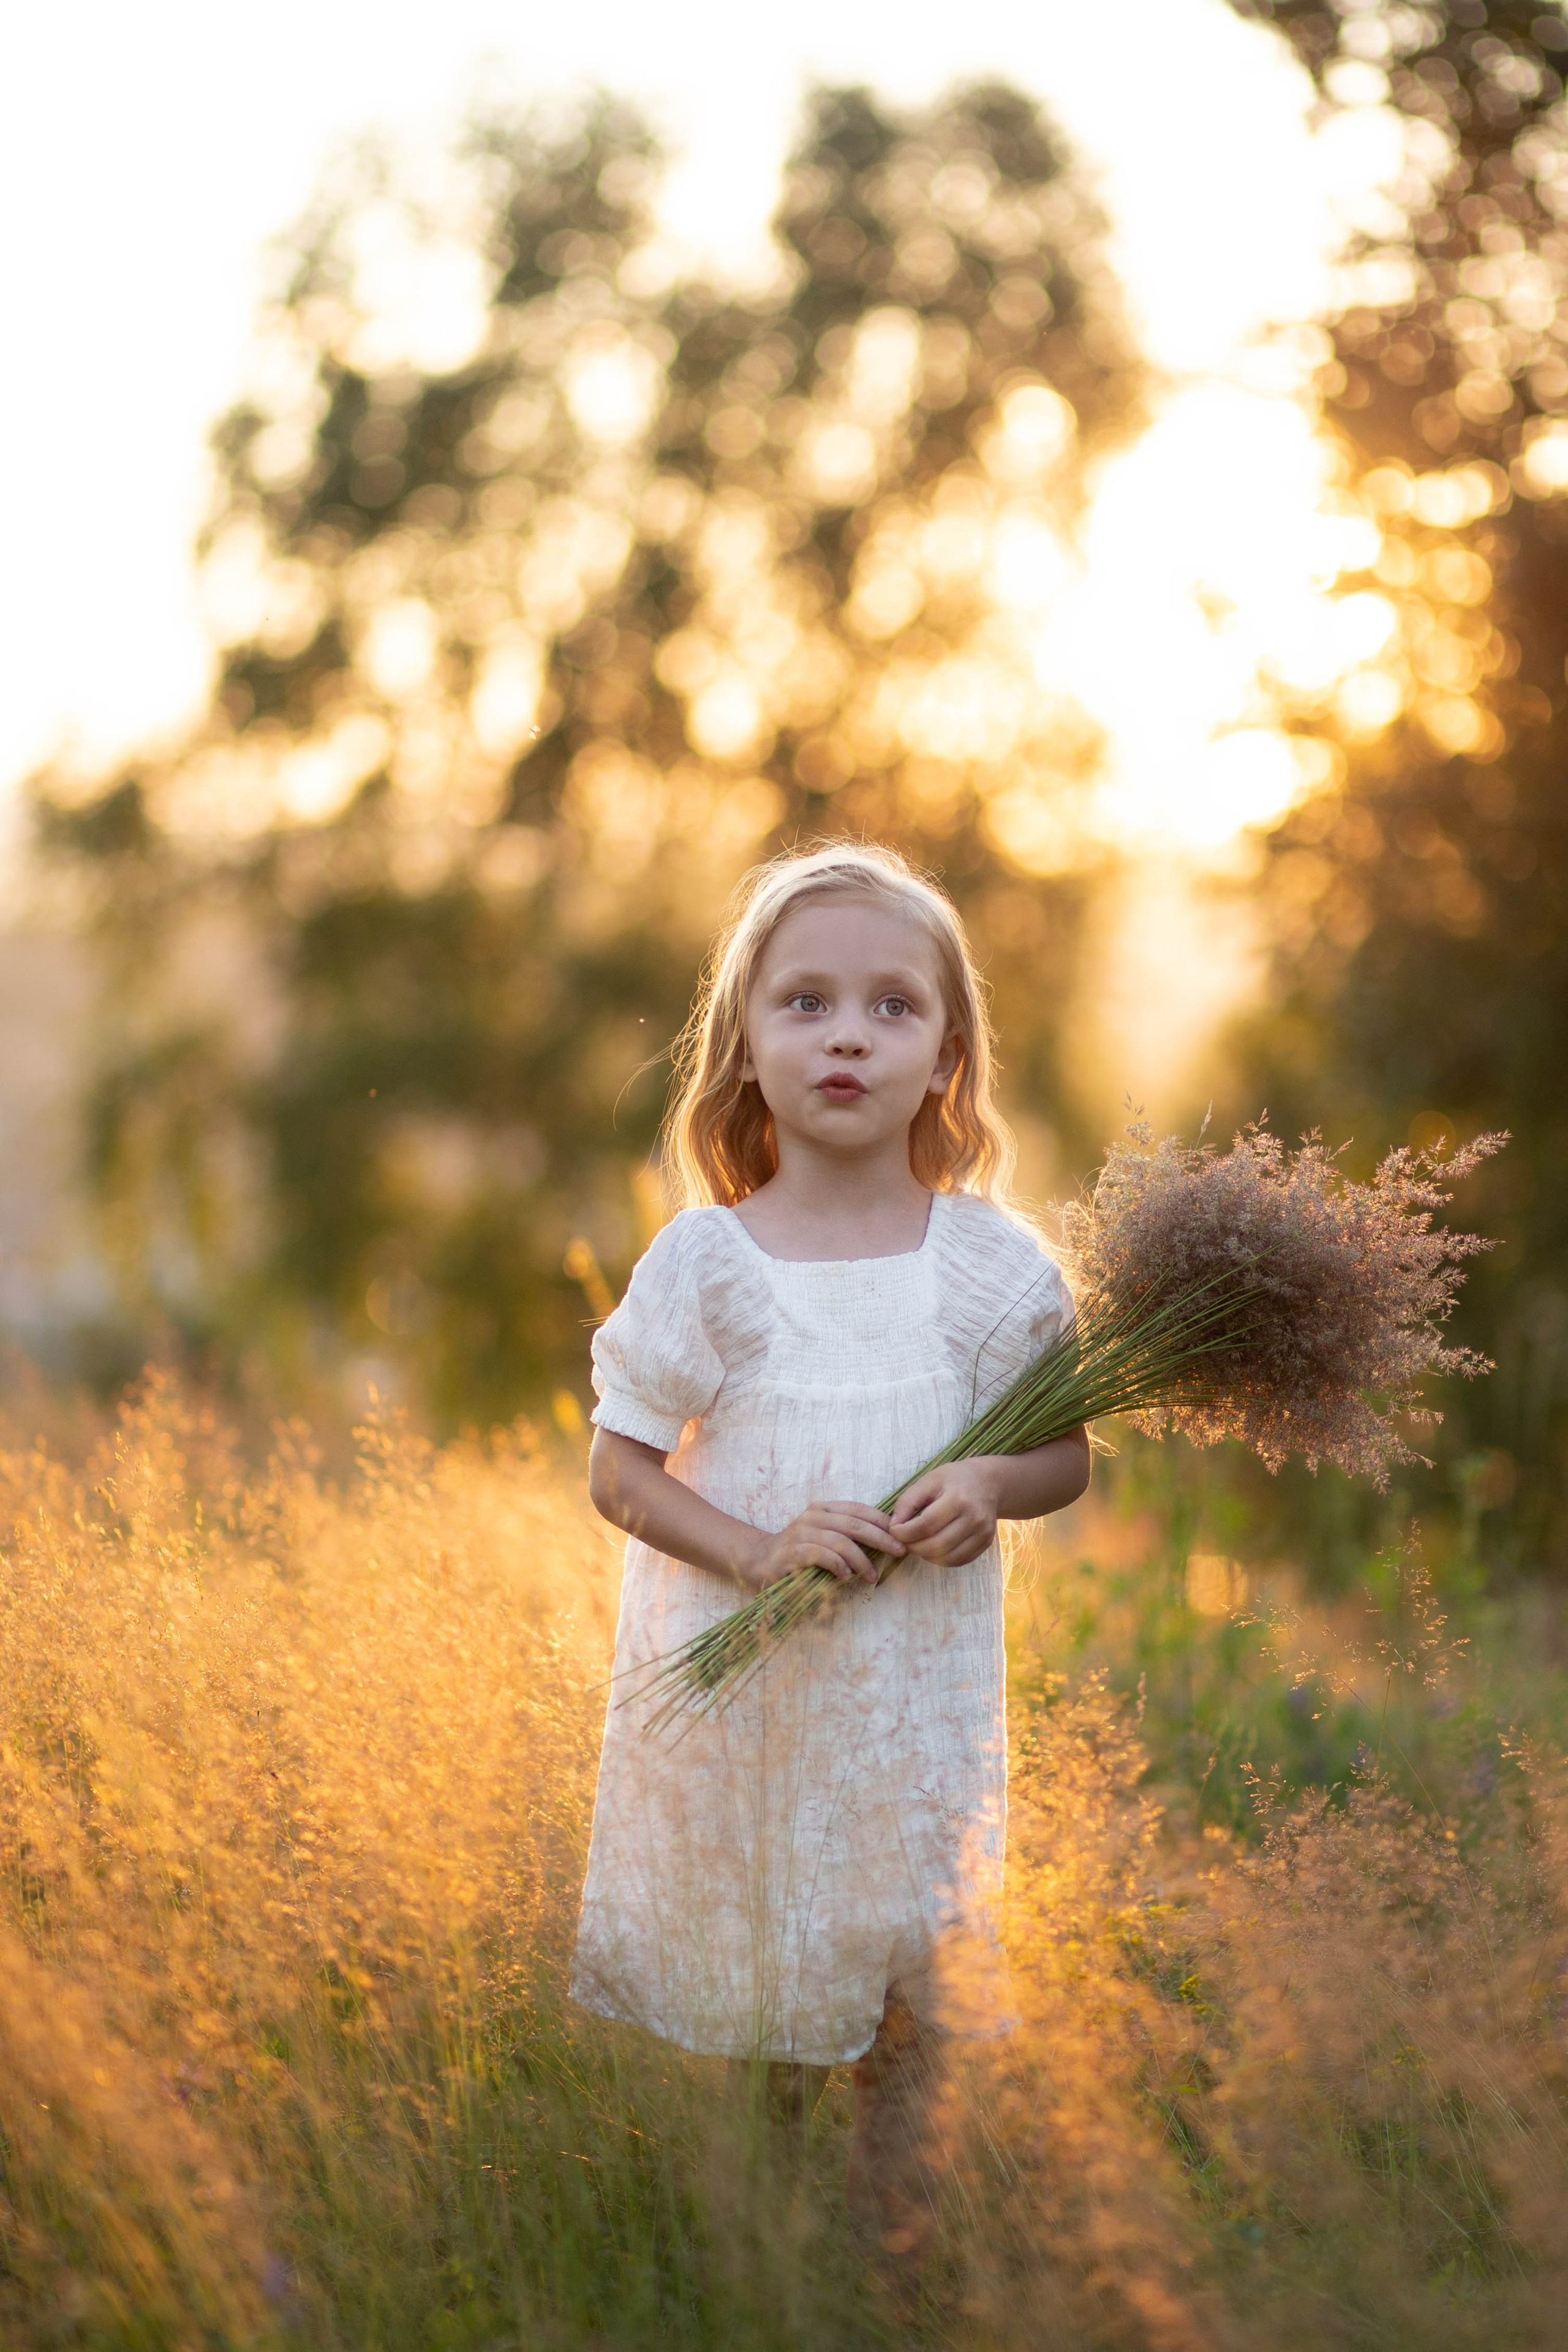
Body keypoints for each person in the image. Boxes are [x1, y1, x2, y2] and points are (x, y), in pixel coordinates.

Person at [573, 842, 1090, 2277]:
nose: (845, 1033)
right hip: (770, 1705)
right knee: (775, 1991)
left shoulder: (991, 1268)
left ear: (945, 1056)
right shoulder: (706, 1264)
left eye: (887, 1007)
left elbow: (1066, 1460)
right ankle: (754, 2272)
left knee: (911, 1996)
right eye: (803, 1003)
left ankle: (887, 2269)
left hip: (915, 1700)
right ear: (744, 1044)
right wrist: (753, 1549)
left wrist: (990, 1477)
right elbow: (617, 1470)